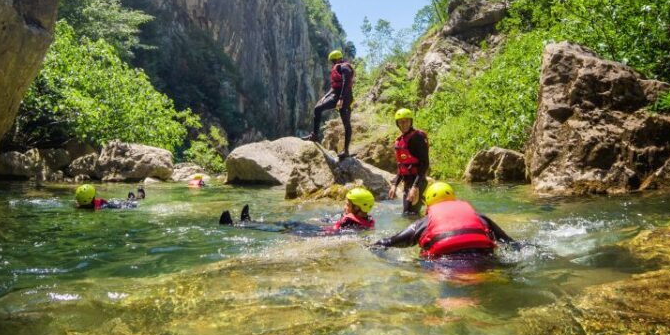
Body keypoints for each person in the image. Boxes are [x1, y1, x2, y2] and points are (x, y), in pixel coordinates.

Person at [373, 182, 514, 260]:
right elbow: (509, 243)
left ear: (428, 203)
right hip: (484, 259)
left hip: (445, 264)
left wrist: (372, 245)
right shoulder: (479, 217)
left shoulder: (424, 222)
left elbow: (391, 242)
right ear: (453, 198)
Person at [219, 187, 375, 235]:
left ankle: (234, 225)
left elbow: (338, 231)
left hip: (315, 234)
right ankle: (249, 222)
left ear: (358, 207)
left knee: (284, 229)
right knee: (289, 223)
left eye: (347, 204)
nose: (344, 206)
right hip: (318, 230)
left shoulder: (352, 224)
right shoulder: (364, 220)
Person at [302, 49, 354, 159]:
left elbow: (345, 83)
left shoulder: (345, 67)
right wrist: (325, 97)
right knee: (318, 108)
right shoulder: (338, 68)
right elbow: (334, 86)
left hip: (345, 97)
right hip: (336, 96)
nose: (332, 63)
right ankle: (314, 135)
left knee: (346, 123)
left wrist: (341, 99)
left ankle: (346, 151)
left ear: (336, 59)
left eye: (332, 61)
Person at [388, 108, 429, 215]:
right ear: (397, 124)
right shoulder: (401, 139)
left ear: (411, 122)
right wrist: (394, 185)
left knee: (409, 214)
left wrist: (415, 187)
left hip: (418, 181)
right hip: (408, 182)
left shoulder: (418, 137)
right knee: (408, 213)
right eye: (401, 122)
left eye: (406, 121)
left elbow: (425, 163)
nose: (404, 124)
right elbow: (402, 166)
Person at [75, 184, 141, 210]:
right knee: (126, 203)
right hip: (110, 205)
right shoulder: (101, 205)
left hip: (109, 204)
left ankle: (131, 198)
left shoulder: (79, 206)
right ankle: (138, 197)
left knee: (120, 201)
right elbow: (119, 206)